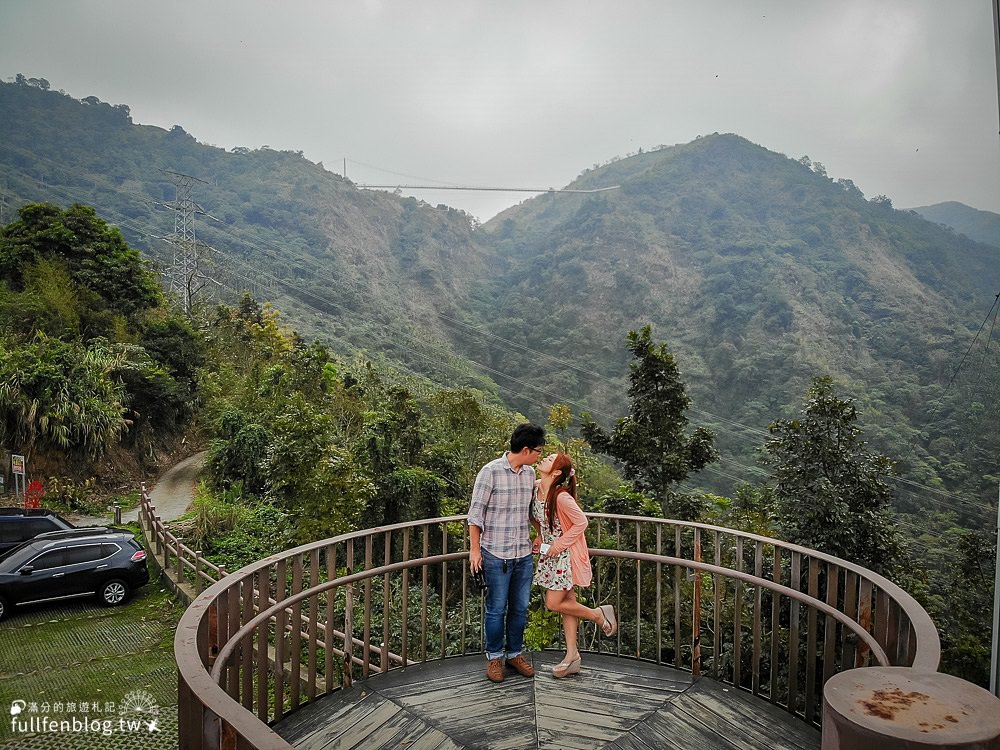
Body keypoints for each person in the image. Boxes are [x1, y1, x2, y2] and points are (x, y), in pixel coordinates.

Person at [468, 423, 546, 683]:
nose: (539, 455)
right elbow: (475, 516)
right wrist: (474, 551)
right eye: (537, 450)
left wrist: (540, 533)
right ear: (525, 449)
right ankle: (494, 657)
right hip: (496, 554)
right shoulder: (490, 472)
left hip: (522, 554)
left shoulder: (529, 474)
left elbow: (529, 511)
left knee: (520, 608)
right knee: (496, 609)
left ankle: (514, 654)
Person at [532, 452, 617, 678]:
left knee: (553, 603)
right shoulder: (537, 487)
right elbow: (538, 518)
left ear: (557, 472)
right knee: (567, 603)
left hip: (563, 555)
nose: (544, 459)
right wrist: (540, 536)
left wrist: (557, 545)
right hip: (550, 553)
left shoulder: (561, 497)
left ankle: (598, 615)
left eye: (550, 459)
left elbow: (581, 522)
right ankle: (572, 657)